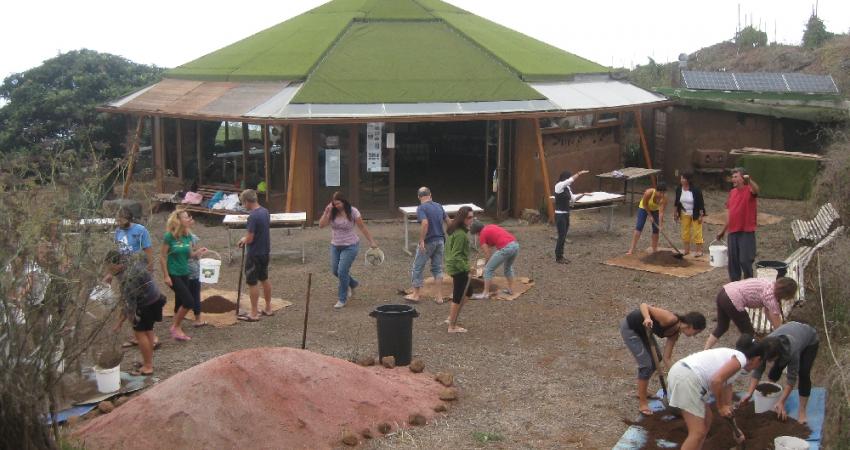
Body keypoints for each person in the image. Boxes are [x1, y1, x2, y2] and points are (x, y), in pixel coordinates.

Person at [667, 339, 767, 450]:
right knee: (697, 431)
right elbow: (716, 381)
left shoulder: (733, 362)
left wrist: (735, 429)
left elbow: (727, 405)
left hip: (682, 373)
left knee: (707, 419)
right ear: (757, 359)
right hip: (687, 378)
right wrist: (720, 407)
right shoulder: (741, 358)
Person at [620, 304, 706, 416]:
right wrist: (647, 318)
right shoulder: (670, 319)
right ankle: (643, 403)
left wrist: (678, 375)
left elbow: (666, 358)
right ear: (691, 326)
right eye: (697, 332)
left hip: (644, 331)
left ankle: (643, 391)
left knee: (657, 358)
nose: (695, 335)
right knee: (646, 365)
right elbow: (644, 305)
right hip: (631, 328)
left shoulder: (675, 334)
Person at [738, 322, 820, 424]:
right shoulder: (765, 345)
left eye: (771, 360)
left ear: (778, 355)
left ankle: (802, 411)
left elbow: (791, 379)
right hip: (792, 332)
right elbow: (758, 370)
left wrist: (782, 402)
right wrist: (749, 393)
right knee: (776, 369)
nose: (769, 362)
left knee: (803, 373)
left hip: (809, 340)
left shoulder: (791, 351)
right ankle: (771, 398)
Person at [107, 251, 165, 376]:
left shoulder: (128, 279)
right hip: (155, 297)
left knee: (140, 334)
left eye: (110, 265)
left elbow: (130, 306)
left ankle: (148, 366)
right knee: (148, 330)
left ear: (119, 264)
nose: (109, 268)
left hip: (145, 304)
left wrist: (119, 323)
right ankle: (148, 360)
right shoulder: (131, 262)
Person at [318, 191, 378, 309]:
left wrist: (372, 241)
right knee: (335, 271)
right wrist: (326, 212)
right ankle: (353, 283)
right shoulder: (331, 211)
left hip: (350, 245)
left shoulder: (353, 211)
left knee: (342, 271)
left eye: (338, 203)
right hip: (335, 245)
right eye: (334, 204)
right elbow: (321, 225)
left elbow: (362, 227)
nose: (336, 206)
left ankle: (342, 298)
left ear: (344, 201)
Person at [704, 277, 797, 350]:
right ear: (785, 294)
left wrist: (776, 327)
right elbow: (778, 326)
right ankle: (741, 356)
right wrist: (784, 336)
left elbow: (768, 312)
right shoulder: (771, 298)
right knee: (748, 333)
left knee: (722, 327)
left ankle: (705, 351)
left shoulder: (769, 284)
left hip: (724, 292)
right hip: (733, 300)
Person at [160, 209, 207, 340]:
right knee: (189, 301)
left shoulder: (187, 236)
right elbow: (162, 257)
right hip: (173, 273)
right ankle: (175, 327)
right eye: (186, 217)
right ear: (178, 220)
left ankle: (178, 327)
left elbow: (189, 255)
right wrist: (166, 276)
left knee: (180, 301)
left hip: (184, 272)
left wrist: (198, 252)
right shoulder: (169, 236)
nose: (189, 219)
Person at [716, 168, 759, 281]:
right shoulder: (732, 193)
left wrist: (749, 181)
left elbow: (757, 190)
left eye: (736, 177)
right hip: (733, 231)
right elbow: (730, 213)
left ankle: (749, 283)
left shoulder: (749, 189)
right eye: (732, 177)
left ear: (742, 178)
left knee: (745, 260)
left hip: (746, 231)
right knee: (733, 261)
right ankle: (735, 286)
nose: (733, 179)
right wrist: (723, 230)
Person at [408, 187, 449, 303]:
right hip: (440, 240)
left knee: (418, 267)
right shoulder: (439, 206)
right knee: (437, 268)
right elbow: (448, 221)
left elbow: (425, 223)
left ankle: (416, 294)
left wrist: (421, 240)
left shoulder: (421, 208)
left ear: (418, 197)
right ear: (430, 195)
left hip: (428, 241)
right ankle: (439, 296)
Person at [237, 189, 272, 321]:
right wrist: (246, 237)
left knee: (252, 282)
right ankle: (268, 308)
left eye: (243, 203)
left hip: (254, 253)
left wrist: (243, 240)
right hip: (265, 251)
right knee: (264, 278)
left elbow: (250, 238)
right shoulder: (265, 211)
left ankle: (253, 313)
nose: (244, 205)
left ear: (247, 201)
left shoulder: (253, 216)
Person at [470, 222, 519, 299]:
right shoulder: (490, 226)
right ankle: (510, 289)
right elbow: (492, 244)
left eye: (475, 234)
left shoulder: (482, 235)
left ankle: (485, 293)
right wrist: (484, 246)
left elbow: (488, 254)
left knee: (488, 269)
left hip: (506, 248)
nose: (476, 236)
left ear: (477, 232)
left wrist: (484, 266)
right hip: (515, 245)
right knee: (508, 268)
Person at [444, 206, 474, 333]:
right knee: (458, 296)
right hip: (458, 268)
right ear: (462, 219)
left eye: (472, 217)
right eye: (469, 218)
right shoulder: (460, 235)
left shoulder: (455, 230)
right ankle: (452, 326)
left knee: (468, 292)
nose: (471, 220)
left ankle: (452, 317)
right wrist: (468, 268)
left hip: (455, 266)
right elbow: (456, 256)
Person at [553, 169, 589, 264]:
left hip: (566, 214)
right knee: (561, 235)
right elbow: (570, 180)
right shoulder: (559, 186)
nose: (570, 180)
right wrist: (579, 174)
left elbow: (573, 199)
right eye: (568, 178)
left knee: (564, 235)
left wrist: (583, 194)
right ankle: (558, 256)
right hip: (560, 215)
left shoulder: (567, 188)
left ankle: (560, 255)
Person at [627, 183, 668, 255]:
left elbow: (661, 213)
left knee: (656, 229)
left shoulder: (664, 198)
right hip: (644, 208)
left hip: (655, 210)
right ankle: (632, 249)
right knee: (639, 227)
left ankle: (654, 249)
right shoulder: (649, 193)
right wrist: (650, 215)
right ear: (656, 190)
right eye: (660, 192)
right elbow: (645, 204)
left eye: (663, 193)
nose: (661, 194)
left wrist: (660, 225)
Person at [673, 173, 707, 257]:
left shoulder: (696, 190)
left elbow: (701, 204)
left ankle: (699, 251)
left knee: (697, 231)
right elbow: (676, 202)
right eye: (681, 178)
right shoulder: (679, 189)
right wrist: (675, 212)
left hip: (695, 212)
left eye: (683, 178)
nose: (681, 180)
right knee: (685, 231)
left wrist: (700, 215)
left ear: (687, 180)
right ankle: (686, 250)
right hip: (684, 212)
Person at [114, 207, 154, 272]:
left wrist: (150, 267)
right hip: (124, 267)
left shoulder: (141, 230)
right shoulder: (118, 231)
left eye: (120, 221)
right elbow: (117, 248)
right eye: (117, 221)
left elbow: (148, 250)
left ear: (128, 220)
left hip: (139, 266)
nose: (118, 223)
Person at [186, 229, 207, 327]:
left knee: (184, 294)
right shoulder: (190, 237)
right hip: (192, 270)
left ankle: (179, 318)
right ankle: (197, 319)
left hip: (180, 270)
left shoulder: (172, 237)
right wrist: (199, 252)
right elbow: (192, 255)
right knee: (194, 294)